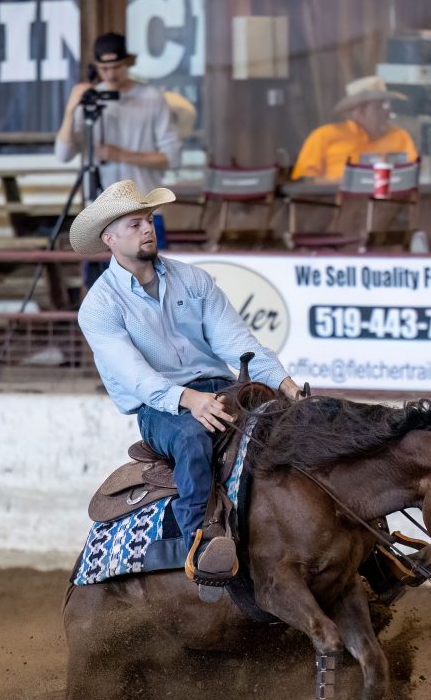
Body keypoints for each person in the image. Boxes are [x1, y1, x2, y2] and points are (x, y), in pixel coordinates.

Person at [74, 180, 303, 582]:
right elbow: (135, 376)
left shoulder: (193, 280)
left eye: (148, 220)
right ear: (109, 238)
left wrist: (284, 383)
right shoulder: (100, 306)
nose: (147, 229)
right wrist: (188, 400)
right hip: (159, 407)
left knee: (297, 427)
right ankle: (200, 539)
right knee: (192, 440)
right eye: (134, 225)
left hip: (222, 388)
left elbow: (237, 343)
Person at [55, 32, 181, 247]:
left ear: (128, 63)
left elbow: (172, 158)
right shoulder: (90, 99)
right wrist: (70, 109)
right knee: (101, 279)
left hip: (144, 207)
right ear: (96, 67)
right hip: (100, 213)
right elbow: (63, 154)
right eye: (104, 69)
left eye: (116, 67)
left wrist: (121, 155)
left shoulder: (151, 97)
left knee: (153, 276)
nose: (110, 74)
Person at [291, 75, 418, 182]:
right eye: (381, 106)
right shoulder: (324, 136)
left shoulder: (400, 136)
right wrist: (346, 184)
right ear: (359, 111)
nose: (388, 111)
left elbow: (415, 175)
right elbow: (305, 181)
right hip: (337, 206)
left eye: (388, 105)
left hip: (390, 206)